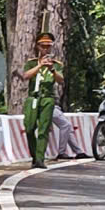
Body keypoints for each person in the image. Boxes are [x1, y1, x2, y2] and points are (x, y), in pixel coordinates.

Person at [17, 33, 64, 169]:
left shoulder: (56, 64)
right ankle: (34, 155)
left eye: (48, 47)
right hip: (33, 98)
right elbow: (25, 76)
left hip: (47, 99)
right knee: (30, 128)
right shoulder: (31, 63)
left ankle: (40, 159)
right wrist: (40, 66)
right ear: (38, 47)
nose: (46, 49)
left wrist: (52, 69)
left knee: (44, 129)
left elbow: (61, 80)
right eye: (43, 46)